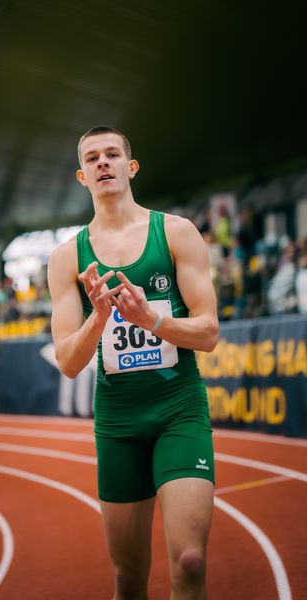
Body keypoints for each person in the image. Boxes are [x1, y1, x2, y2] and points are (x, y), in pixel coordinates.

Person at [47, 125, 219, 599]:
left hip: (178, 409)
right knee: (128, 578)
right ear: (81, 176)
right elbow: (67, 360)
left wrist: (151, 320)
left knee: (190, 560)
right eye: (92, 158)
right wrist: (99, 317)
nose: (102, 163)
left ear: (131, 166)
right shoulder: (67, 258)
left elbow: (208, 332)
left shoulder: (177, 232)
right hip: (119, 422)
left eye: (111, 154)